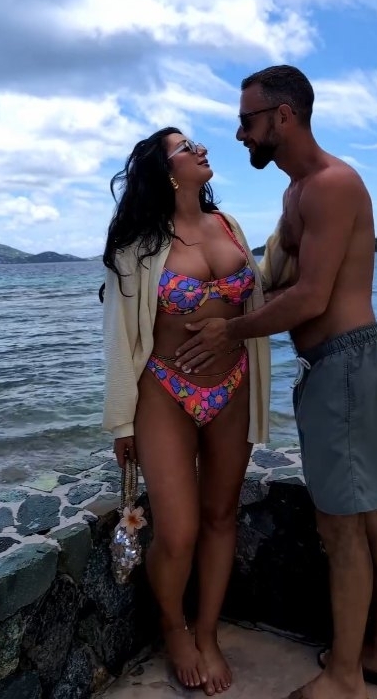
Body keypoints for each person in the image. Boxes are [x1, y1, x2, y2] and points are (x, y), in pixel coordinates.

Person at [174, 66, 377, 699]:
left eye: (247, 121)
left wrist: (231, 333)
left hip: (346, 366)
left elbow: (312, 298)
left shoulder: (332, 185)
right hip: (334, 370)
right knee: (365, 517)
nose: (239, 134)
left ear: (282, 116)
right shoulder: (297, 193)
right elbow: (284, 283)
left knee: (342, 527)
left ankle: (344, 678)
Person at [101, 127, 270, 696]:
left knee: (221, 516)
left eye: (196, 143)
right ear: (166, 171)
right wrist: (121, 422)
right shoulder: (138, 245)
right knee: (177, 532)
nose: (200, 149)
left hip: (233, 384)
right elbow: (120, 336)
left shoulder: (229, 226)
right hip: (164, 390)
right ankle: (174, 629)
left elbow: (259, 291)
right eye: (185, 148)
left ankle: (208, 632)